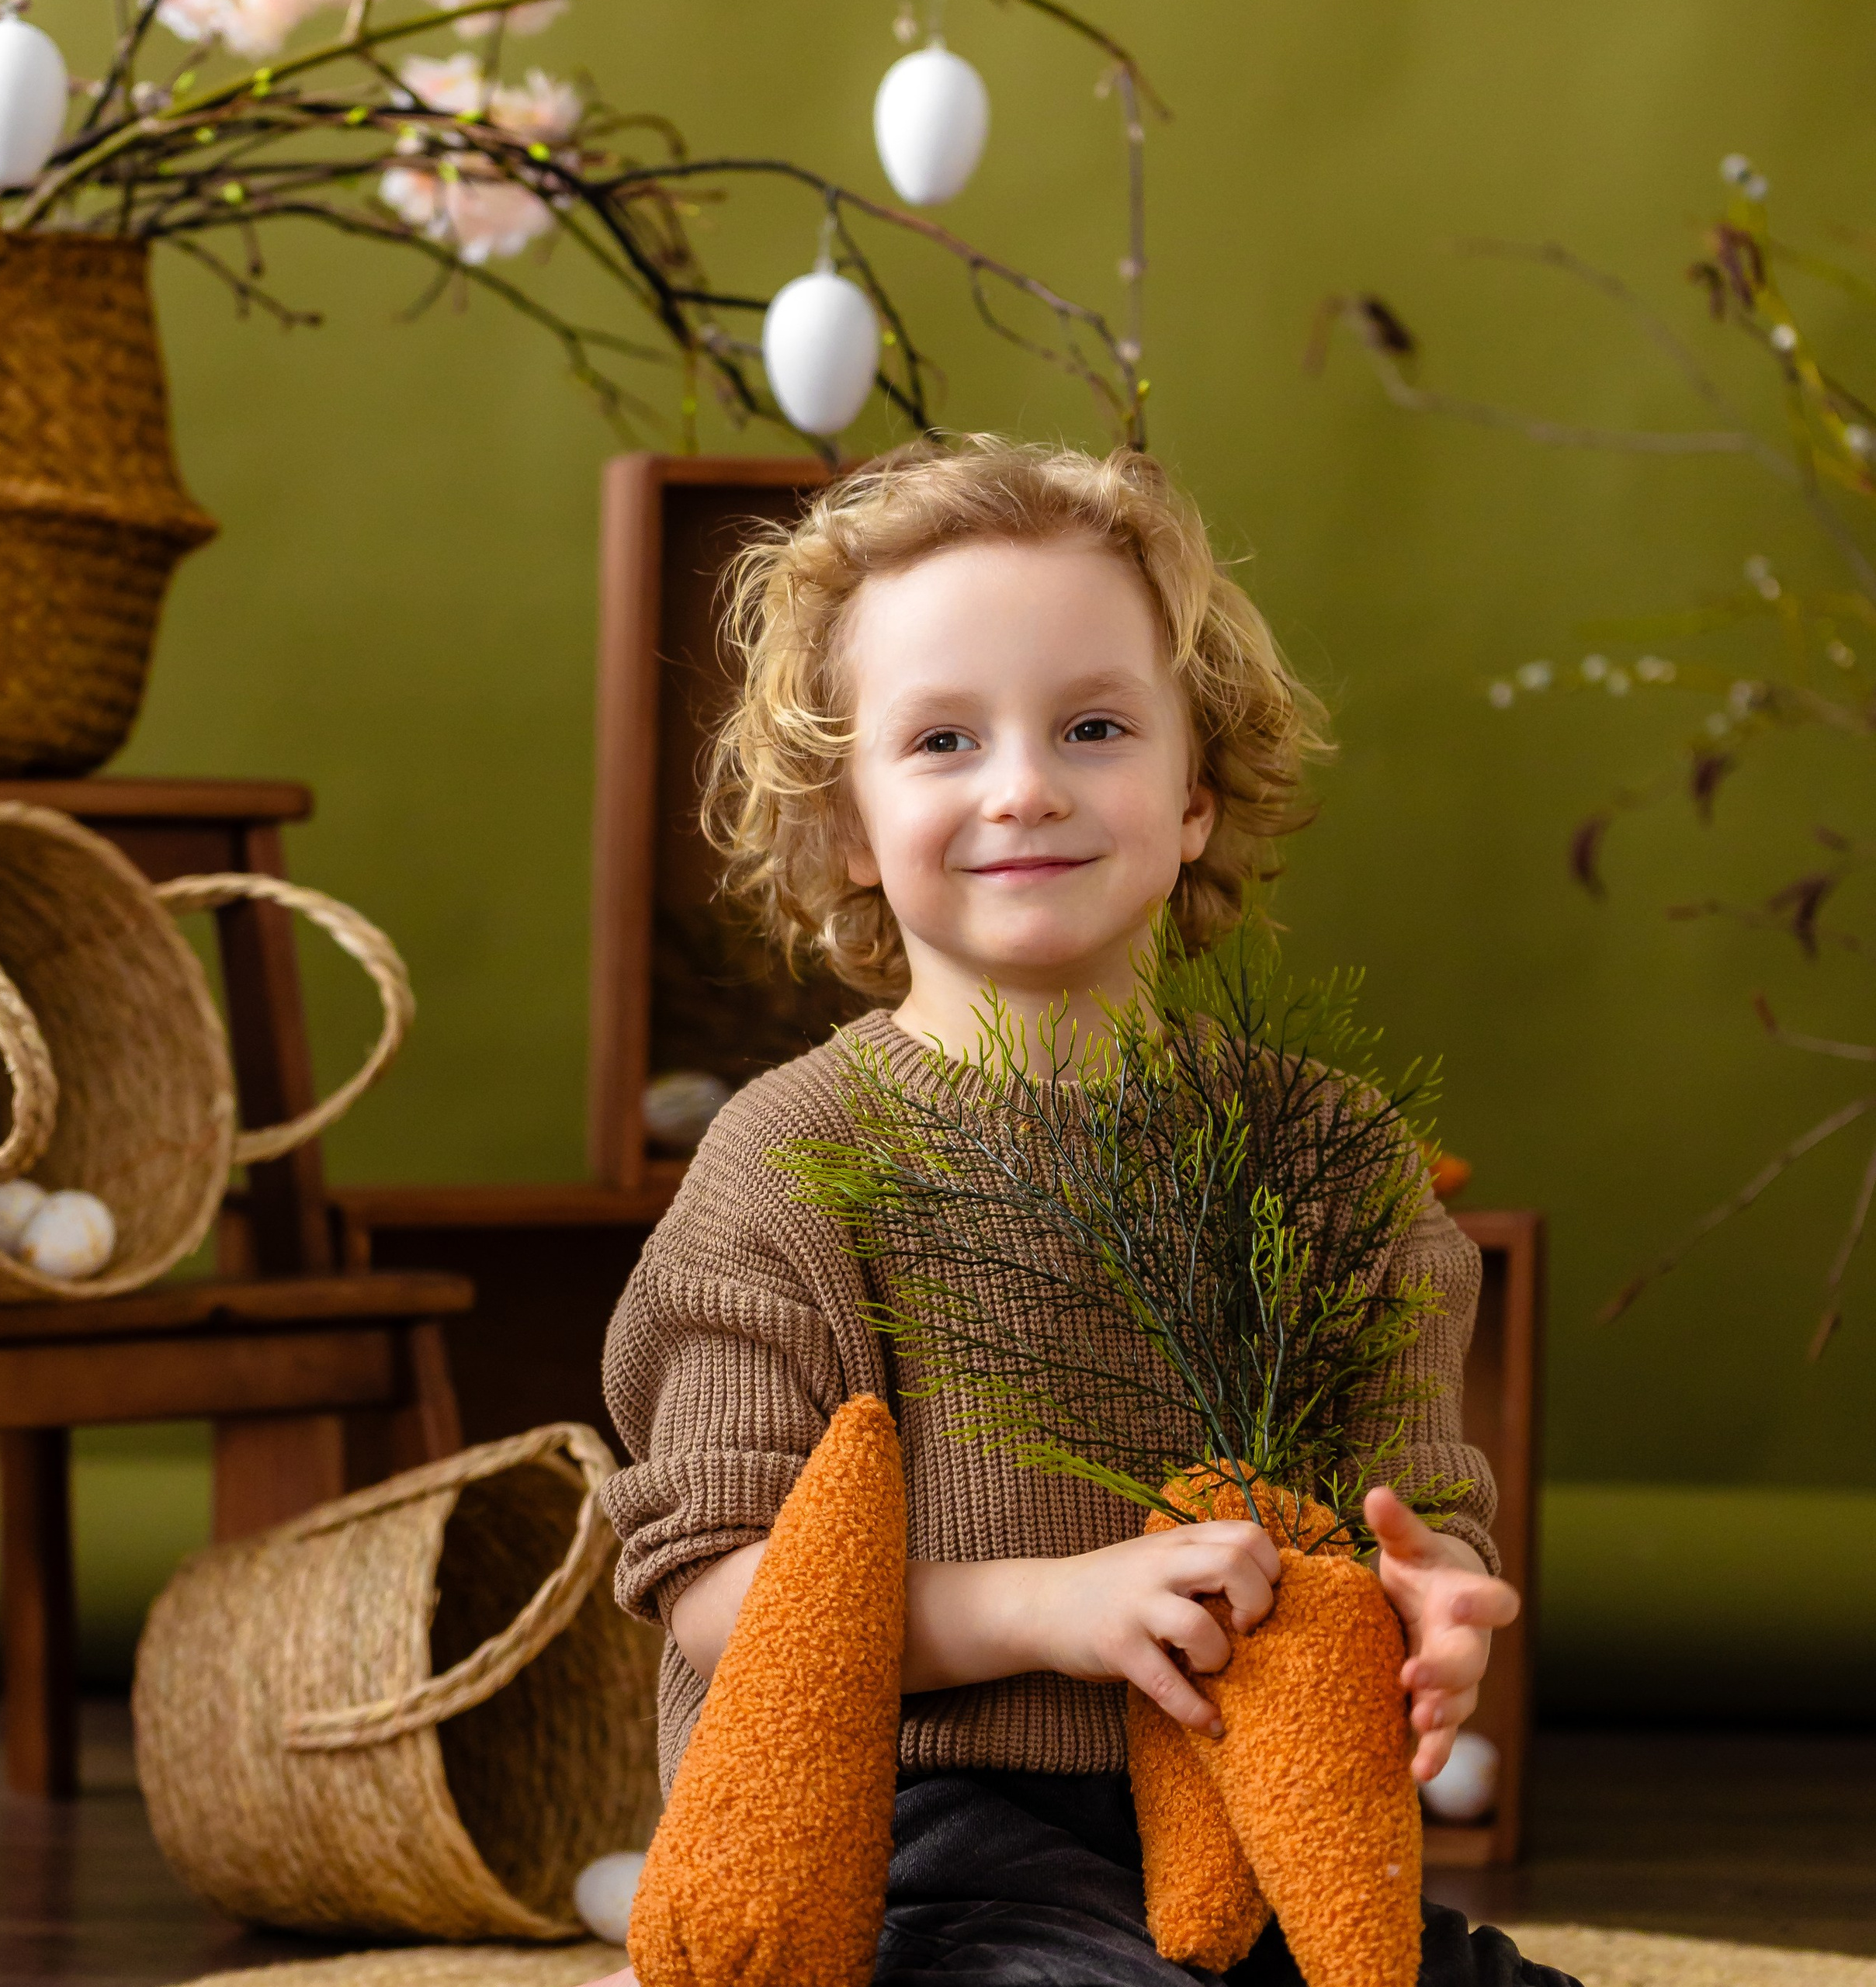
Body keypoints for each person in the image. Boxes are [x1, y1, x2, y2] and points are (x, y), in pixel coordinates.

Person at [592, 437, 1574, 1986]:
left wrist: (1426, 1601)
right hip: (914, 1819)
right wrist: (1054, 1608)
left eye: (1094, 726)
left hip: (1251, 1805)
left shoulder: (1329, 1154)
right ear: (845, 825)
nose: (1025, 786)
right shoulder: (789, 1158)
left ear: (1193, 797)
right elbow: (717, 1588)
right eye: (941, 739)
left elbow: (1415, 1499)